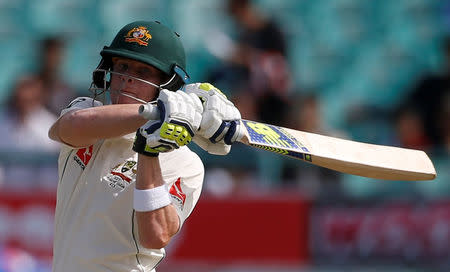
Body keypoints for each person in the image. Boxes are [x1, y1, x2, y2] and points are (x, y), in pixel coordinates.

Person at [48, 20, 241, 272]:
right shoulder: (87, 112)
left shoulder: (185, 163)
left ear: (167, 85)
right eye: (123, 67)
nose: (127, 79)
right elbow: (66, 128)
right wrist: (155, 113)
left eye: (142, 73)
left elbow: (156, 235)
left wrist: (150, 148)